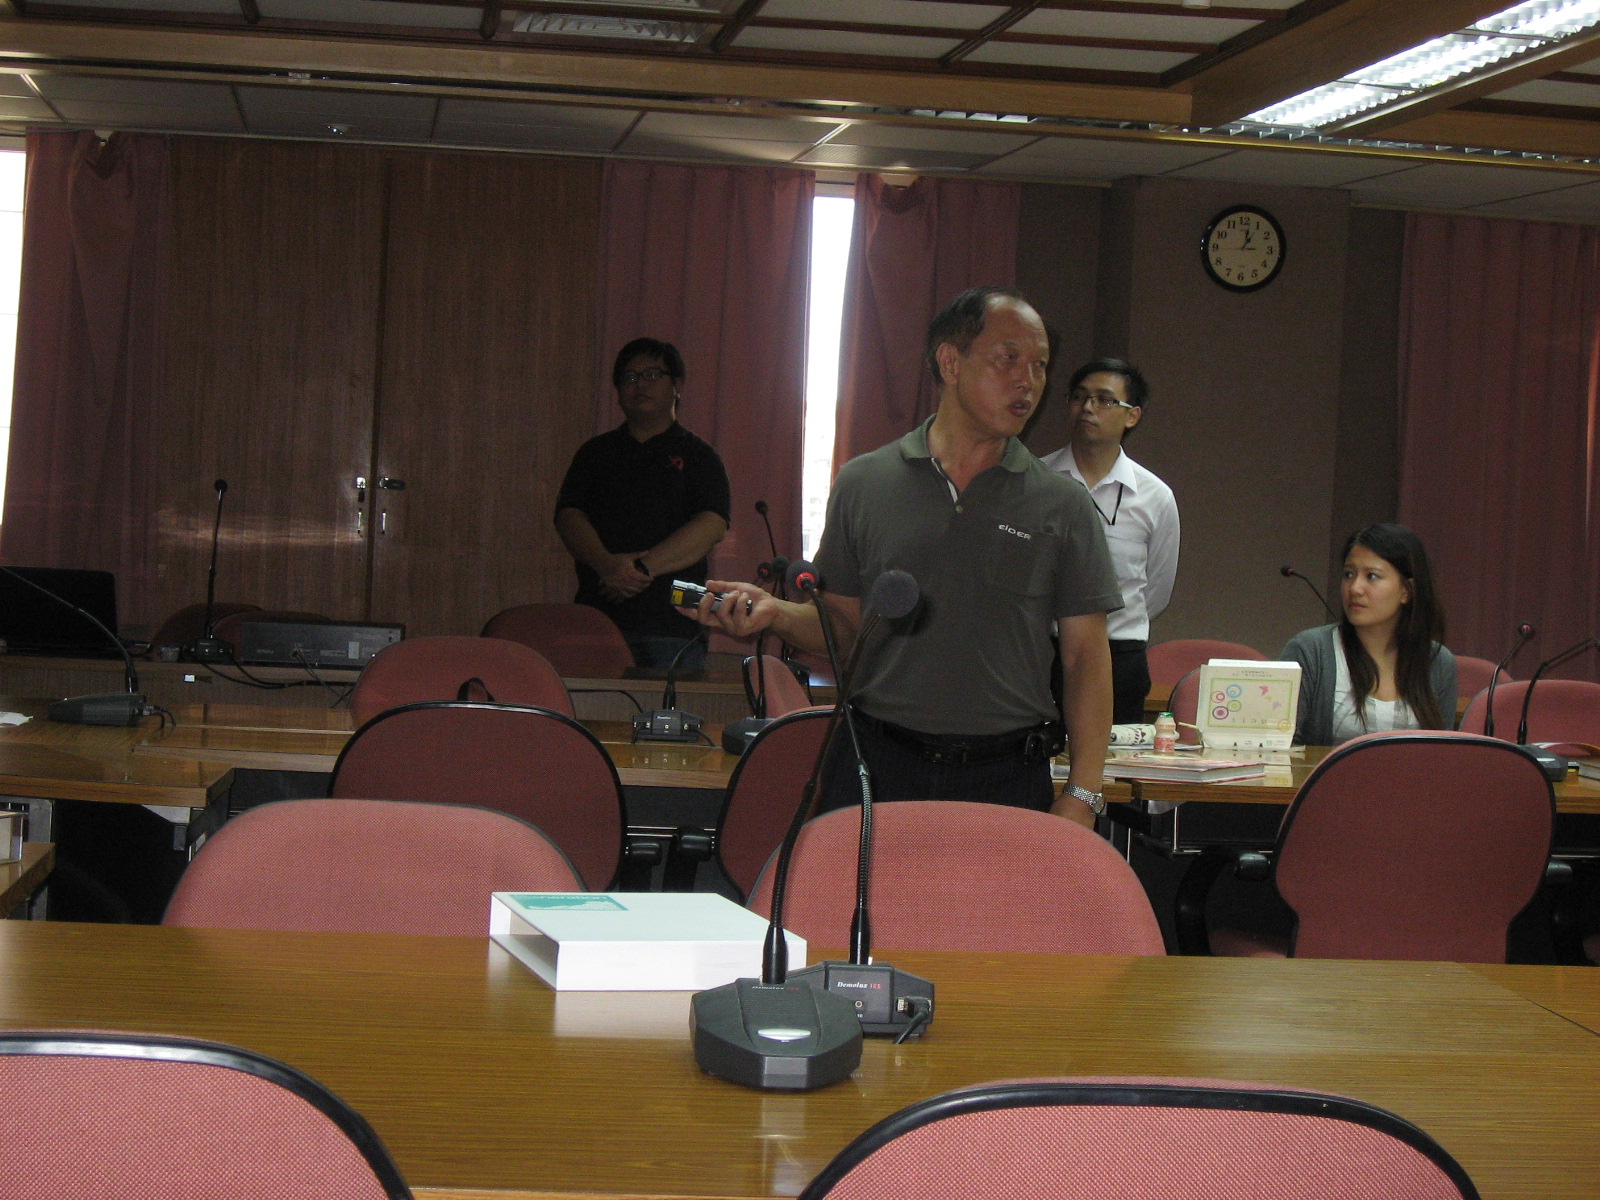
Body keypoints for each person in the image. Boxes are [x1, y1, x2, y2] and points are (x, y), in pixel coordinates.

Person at [692, 287, 1122, 827]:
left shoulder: (1062, 504)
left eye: (1039, 365)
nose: (1028, 381)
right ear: (951, 362)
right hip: (877, 765)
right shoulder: (864, 483)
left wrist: (1083, 793)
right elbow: (844, 627)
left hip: (1007, 775)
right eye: (1009, 359)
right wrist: (774, 612)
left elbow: (1086, 659)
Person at [554, 338, 731, 671]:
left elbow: (711, 524)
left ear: (677, 385)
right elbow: (568, 517)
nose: (640, 385)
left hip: (673, 626)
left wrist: (640, 570)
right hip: (597, 624)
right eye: (630, 377)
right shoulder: (595, 453)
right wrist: (607, 566)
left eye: (652, 375)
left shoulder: (699, 455)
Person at [1040, 358, 1179, 724]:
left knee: (1112, 758)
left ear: (1132, 415)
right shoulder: (1036, 481)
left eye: (1104, 399)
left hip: (1120, 656)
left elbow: (1156, 590)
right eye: (1079, 397)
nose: (1087, 407)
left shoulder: (1155, 496)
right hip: (1042, 654)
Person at [1281, 523, 1457, 746]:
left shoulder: (1438, 662)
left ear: (1407, 590)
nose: (1355, 588)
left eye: (1371, 576)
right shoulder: (1310, 651)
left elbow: (1442, 753)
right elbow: (1280, 747)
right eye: (1348, 574)